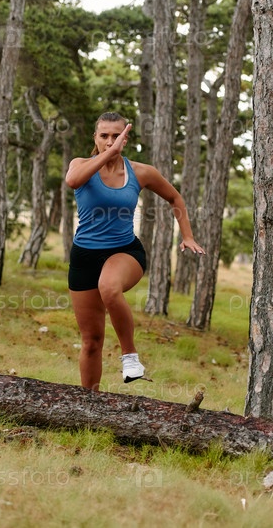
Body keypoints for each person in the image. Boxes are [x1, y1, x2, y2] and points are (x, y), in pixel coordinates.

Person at [65, 112, 205, 391]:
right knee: (91, 341)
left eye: (116, 136)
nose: (110, 141)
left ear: (126, 138)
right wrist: (108, 154)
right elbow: (73, 181)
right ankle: (89, 402)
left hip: (124, 252)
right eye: (104, 135)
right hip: (84, 257)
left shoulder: (141, 172)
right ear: (95, 137)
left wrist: (187, 235)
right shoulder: (80, 165)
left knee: (109, 288)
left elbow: (174, 197)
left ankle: (130, 358)